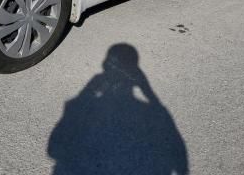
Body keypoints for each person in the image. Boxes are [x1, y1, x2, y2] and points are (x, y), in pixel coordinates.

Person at [48, 44, 188, 175]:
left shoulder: (76, 107)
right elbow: (179, 158)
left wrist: (84, 95)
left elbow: (54, 148)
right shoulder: (151, 111)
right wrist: (150, 94)